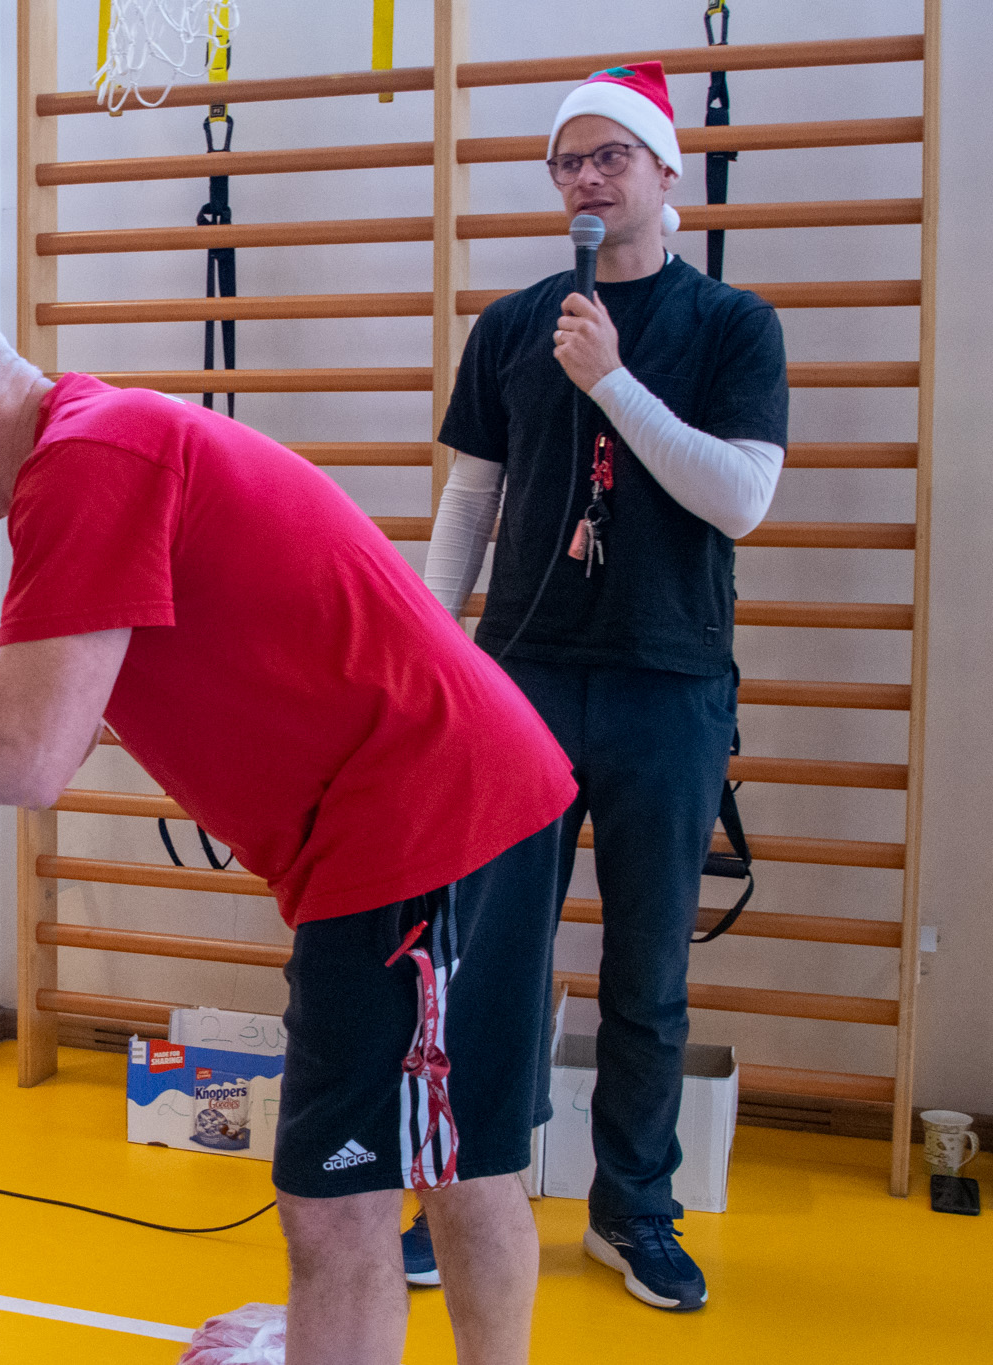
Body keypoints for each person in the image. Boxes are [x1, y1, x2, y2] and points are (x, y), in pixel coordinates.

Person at [0, 300, 580, 1365]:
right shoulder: (99, 446)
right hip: (472, 793)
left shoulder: (86, 462)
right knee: (464, 1167)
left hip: (417, 822)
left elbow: (23, 753)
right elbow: (46, 726)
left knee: (337, 1209)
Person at [420, 62, 788, 1314]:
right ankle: (466, 1197)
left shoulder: (730, 325)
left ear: (662, 169)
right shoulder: (512, 324)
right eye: (566, 162)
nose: (584, 179)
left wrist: (611, 382)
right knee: (488, 963)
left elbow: (739, 499)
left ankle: (632, 1209)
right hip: (520, 684)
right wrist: (430, 648)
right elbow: (469, 501)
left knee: (645, 974)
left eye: (607, 156)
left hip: (665, 685)